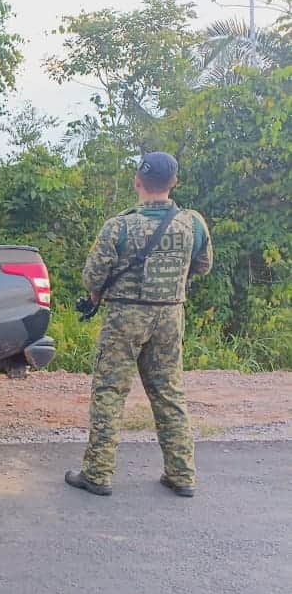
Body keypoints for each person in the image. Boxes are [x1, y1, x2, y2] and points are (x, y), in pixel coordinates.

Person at [66, 152, 213, 498]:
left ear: (137, 181)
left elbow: (92, 276)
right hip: (170, 315)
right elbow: (202, 266)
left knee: (109, 393)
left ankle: (98, 473)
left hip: (124, 318)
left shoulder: (119, 226)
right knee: (169, 393)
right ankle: (182, 474)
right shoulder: (192, 223)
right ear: (174, 182)